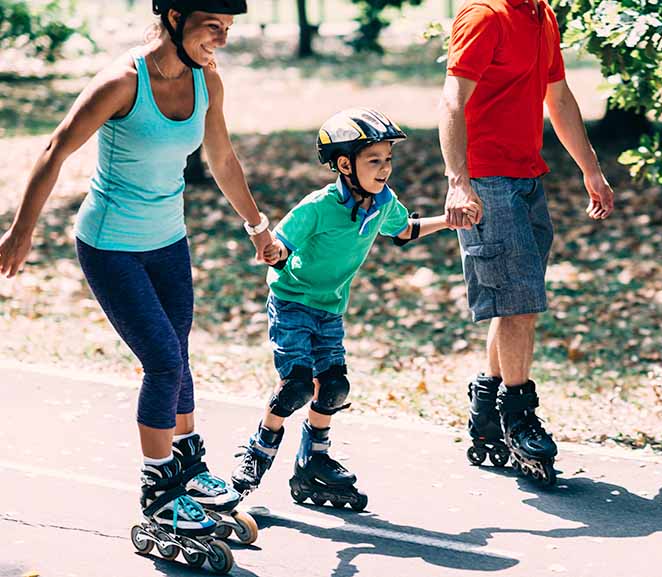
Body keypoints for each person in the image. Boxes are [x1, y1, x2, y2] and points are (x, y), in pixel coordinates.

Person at [0, 0, 267, 561]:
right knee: (163, 361)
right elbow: (56, 148)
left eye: (227, 29)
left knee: (179, 353)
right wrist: (21, 230)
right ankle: (159, 486)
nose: (221, 38)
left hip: (168, 240)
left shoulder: (207, 80)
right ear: (174, 16)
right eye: (211, 26)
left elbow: (221, 157)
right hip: (112, 245)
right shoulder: (122, 82)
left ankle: (189, 462)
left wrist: (256, 225)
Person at [231, 108, 475, 510]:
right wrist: (271, 249)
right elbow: (281, 248)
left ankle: (314, 461)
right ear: (345, 164)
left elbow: (404, 230)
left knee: (333, 387)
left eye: (388, 160)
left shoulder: (383, 202)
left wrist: (449, 222)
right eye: (373, 161)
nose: (384, 169)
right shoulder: (317, 206)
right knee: (295, 385)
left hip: (330, 309)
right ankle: (256, 455)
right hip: (293, 303)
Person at [438, 0, 615, 485]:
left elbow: (557, 98)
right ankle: (518, 414)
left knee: (515, 302)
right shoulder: (484, 16)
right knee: (519, 305)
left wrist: (591, 170)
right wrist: (458, 180)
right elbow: (452, 100)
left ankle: (486, 405)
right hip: (488, 183)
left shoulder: (542, 15)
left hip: (528, 180)